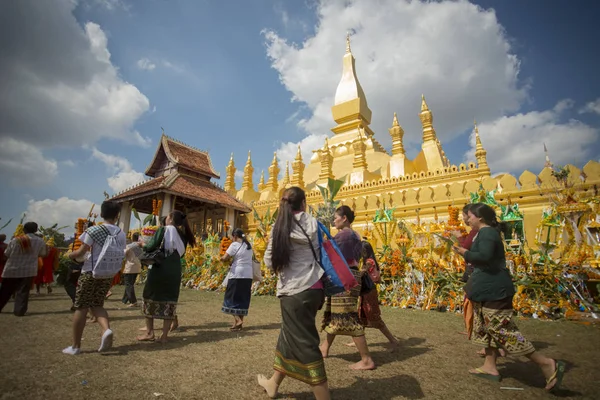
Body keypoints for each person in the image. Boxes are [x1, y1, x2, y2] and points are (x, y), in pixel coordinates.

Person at [453, 203, 566, 391]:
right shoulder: (482, 233)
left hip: (495, 288)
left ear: (480, 217)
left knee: (501, 329)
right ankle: (490, 366)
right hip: (484, 288)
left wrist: (465, 252)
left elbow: (485, 257)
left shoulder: (488, 232)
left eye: (470, 216)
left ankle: (545, 362)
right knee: (486, 328)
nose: (467, 219)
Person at [257, 187, 330, 400]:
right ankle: (273, 382)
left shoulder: (279, 227)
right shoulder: (314, 222)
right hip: (315, 289)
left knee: (305, 344)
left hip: (294, 292)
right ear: (304, 203)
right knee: (289, 335)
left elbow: (269, 262)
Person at [62, 201, 126, 355]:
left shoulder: (93, 230)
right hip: (107, 273)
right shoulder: (121, 233)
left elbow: (81, 252)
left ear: (102, 213)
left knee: (82, 306)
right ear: (117, 216)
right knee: (97, 304)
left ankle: (76, 346)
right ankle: (106, 330)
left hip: (91, 271)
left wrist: (70, 255)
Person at [319, 205, 375, 371]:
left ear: (344, 218)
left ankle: (366, 359)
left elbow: (331, 253)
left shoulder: (344, 235)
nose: (334, 220)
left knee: (347, 316)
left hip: (345, 275)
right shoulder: (354, 234)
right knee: (336, 313)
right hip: (350, 274)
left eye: (336, 217)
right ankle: (324, 347)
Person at [137, 210, 195, 344]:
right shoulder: (183, 235)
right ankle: (164, 336)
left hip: (160, 268)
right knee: (170, 300)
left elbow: (151, 247)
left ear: (170, 219)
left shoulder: (163, 230)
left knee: (149, 296)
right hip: (174, 270)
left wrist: (142, 245)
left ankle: (150, 332)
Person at [345, 241, 398, 351]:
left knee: (374, 318)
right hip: (366, 292)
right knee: (361, 317)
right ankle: (357, 341)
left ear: (365, 251)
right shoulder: (366, 261)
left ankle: (393, 340)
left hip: (369, 292)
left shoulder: (369, 262)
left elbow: (362, 273)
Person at [0, 222, 47, 316]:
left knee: (5, 291)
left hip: (12, 269)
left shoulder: (15, 240)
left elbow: (7, 253)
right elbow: (42, 254)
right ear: (36, 230)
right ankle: (19, 311)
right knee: (23, 292)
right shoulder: (40, 241)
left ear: (24, 230)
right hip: (29, 270)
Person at [220, 228, 254, 330]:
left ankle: (238, 320)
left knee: (230, 299)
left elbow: (225, 257)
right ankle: (238, 325)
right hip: (248, 274)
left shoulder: (234, 245)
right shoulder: (248, 245)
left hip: (237, 274)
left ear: (235, 236)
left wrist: (220, 258)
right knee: (242, 299)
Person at [122, 232, 142, 307]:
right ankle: (124, 299)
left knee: (128, 284)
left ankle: (133, 301)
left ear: (132, 238)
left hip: (130, 267)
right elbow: (141, 256)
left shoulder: (129, 246)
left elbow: (123, 254)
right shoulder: (140, 246)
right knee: (130, 284)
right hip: (137, 267)